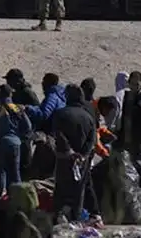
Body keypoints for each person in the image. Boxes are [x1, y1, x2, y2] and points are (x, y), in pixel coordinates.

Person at [50, 85, 97, 223]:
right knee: (79, 190)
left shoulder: (60, 114)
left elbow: (58, 134)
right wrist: (82, 154)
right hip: (82, 161)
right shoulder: (88, 117)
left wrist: (69, 151)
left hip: (64, 158)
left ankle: (57, 218)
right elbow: (91, 139)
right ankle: (75, 220)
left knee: (61, 189)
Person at [0, 84, 32, 191]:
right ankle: (18, 195)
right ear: (10, 94)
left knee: (0, 171)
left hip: (1, 142)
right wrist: (21, 135)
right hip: (15, 142)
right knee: (15, 172)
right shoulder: (15, 107)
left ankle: (0, 194)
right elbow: (28, 126)